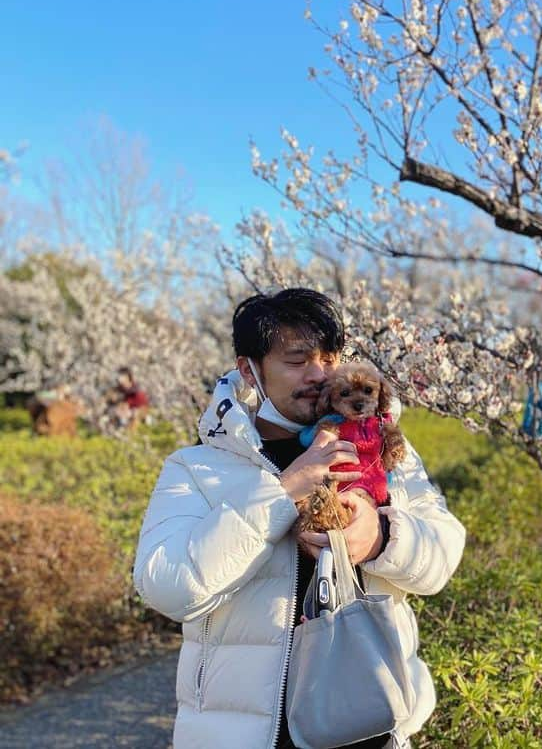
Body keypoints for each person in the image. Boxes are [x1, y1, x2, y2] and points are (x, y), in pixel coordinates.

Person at [133, 288, 466, 748]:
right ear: (248, 369)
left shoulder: (386, 451)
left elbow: (442, 557)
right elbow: (168, 586)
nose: (319, 373)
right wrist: (282, 492)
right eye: (296, 359)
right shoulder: (197, 468)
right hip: (246, 736)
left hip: (374, 726)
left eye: (330, 357)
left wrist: (380, 535)